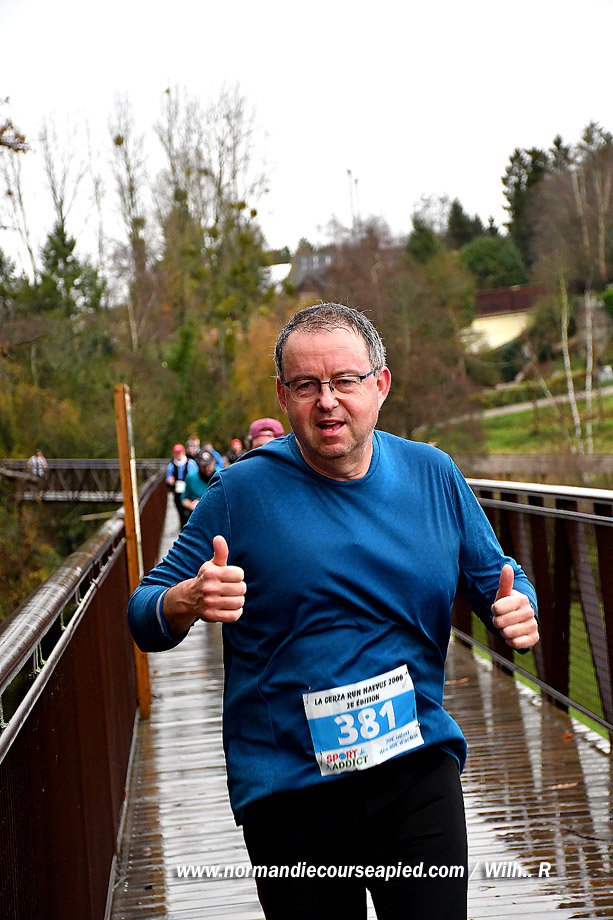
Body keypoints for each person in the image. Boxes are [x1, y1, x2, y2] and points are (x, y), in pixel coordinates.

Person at [129, 303, 539, 920]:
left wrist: (520, 607)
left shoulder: (433, 474)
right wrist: (188, 599)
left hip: (415, 769)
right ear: (283, 395)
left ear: (380, 384)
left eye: (345, 380)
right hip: (293, 792)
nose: (327, 401)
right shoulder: (241, 492)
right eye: (306, 385)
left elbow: (500, 579)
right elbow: (143, 614)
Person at [165, 443, 197, 530]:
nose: (178, 455)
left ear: (183, 452)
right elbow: (168, 480)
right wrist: (170, 481)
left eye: (179, 453)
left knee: (191, 512)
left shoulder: (190, 463)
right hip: (178, 492)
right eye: (176, 453)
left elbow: (195, 477)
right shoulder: (171, 465)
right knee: (181, 513)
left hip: (189, 492)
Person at [181, 449, 217, 518]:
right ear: (198, 464)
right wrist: (191, 505)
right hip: (199, 516)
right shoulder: (191, 477)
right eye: (203, 466)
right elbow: (184, 499)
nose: (207, 468)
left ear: (214, 462)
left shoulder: (222, 476)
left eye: (209, 465)